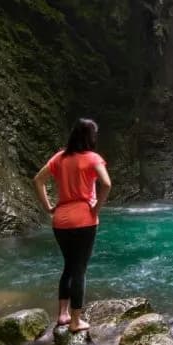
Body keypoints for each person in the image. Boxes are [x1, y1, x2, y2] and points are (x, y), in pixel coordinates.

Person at [33, 118, 112, 333]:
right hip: (84, 219)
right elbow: (106, 183)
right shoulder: (92, 158)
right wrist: (96, 210)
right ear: (90, 137)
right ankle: (76, 322)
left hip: (60, 220)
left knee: (68, 266)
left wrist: (49, 207)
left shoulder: (59, 158)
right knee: (80, 270)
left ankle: (62, 315)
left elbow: (38, 180)